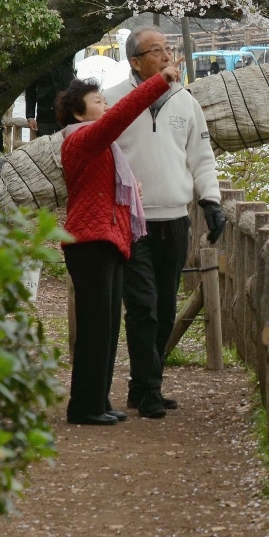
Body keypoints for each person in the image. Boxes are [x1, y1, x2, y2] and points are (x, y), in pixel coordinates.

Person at [102, 29, 225, 419]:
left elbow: (201, 156)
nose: (167, 55)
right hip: (131, 220)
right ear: (135, 61)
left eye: (167, 49)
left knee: (166, 308)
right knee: (143, 306)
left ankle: (141, 386)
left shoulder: (185, 101)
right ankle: (150, 390)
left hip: (174, 218)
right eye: (157, 51)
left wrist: (211, 201)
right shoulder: (115, 100)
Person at [55, 64, 177, 426]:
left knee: (106, 327)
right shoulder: (82, 138)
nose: (106, 105)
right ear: (79, 112)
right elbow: (123, 116)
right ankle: (84, 407)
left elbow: (101, 188)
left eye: (105, 99)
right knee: (96, 328)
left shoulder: (99, 146)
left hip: (105, 241)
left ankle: (98, 401)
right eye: (98, 101)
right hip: (90, 242)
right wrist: (160, 81)